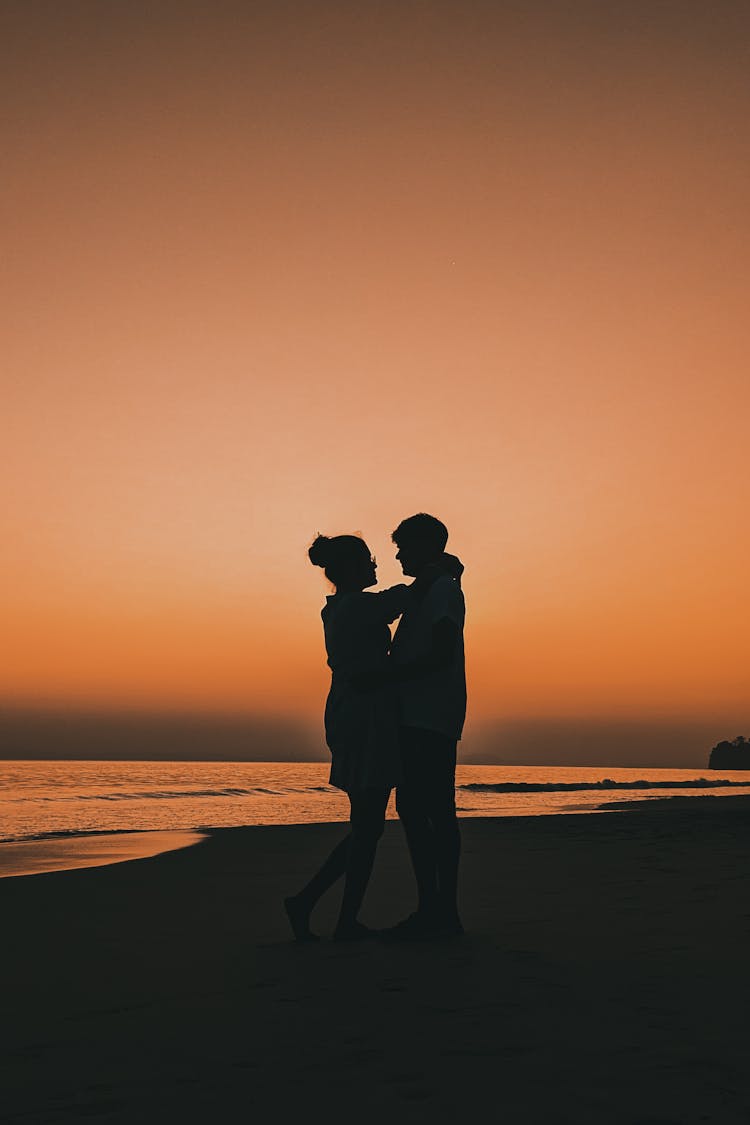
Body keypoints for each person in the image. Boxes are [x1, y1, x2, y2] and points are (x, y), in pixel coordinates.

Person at [284, 533, 412, 942]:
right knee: (367, 824)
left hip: (357, 712)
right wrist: (438, 574)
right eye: (370, 561)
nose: (376, 566)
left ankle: (327, 912)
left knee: (367, 825)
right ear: (353, 569)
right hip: (364, 716)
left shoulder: (342, 607)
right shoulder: (354, 606)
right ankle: (335, 917)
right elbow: (397, 600)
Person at [386, 513, 466, 939]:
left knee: (429, 811)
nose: (397, 554)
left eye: (404, 546)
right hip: (422, 714)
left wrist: (386, 677)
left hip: (428, 716)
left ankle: (440, 912)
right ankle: (434, 909)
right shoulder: (435, 586)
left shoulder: (442, 590)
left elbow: (440, 653)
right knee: (421, 810)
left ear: (425, 547)